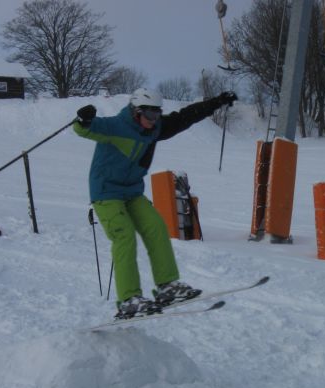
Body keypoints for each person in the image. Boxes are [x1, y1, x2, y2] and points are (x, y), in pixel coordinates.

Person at [74, 88, 238, 319]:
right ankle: (129, 300)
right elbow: (85, 129)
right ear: (135, 111)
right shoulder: (115, 126)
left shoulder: (156, 128)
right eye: (149, 115)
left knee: (156, 228)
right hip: (106, 192)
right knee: (125, 237)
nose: (153, 120)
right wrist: (84, 118)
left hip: (132, 192)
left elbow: (185, 117)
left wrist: (216, 102)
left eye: (157, 114)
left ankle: (167, 287)